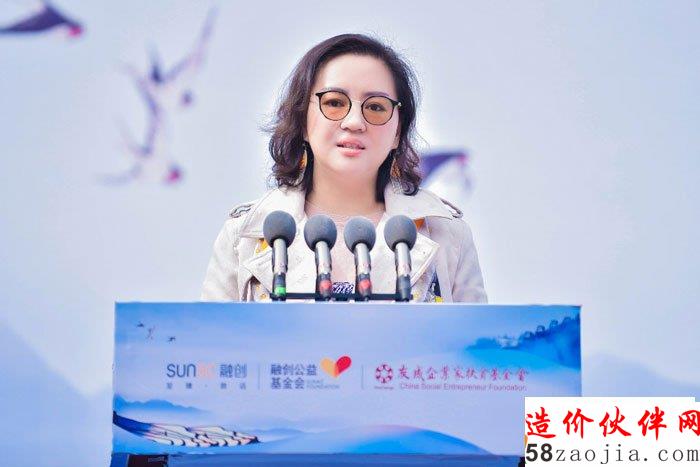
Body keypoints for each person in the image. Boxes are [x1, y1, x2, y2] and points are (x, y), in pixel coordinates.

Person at [201, 34, 487, 303]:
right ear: (302, 120)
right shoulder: (243, 236)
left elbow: (476, 340)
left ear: (398, 132)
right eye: (334, 103)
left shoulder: (446, 234)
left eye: (376, 107)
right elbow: (210, 337)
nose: (354, 122)